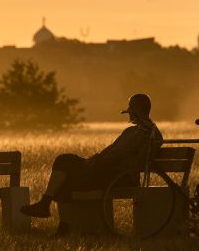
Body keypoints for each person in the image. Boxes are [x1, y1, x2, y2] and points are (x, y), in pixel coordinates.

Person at [20, 93, 163, 226]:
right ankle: (50, 210)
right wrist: (95, 160)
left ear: (137, 110)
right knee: (64, 161)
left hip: (115, 175)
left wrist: (95, 161)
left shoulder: (143, 131)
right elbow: (114, 151)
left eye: (131, 110)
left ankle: (60, 221)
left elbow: (121, 155)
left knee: (65, 172)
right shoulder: (141, 130)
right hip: (107, 169)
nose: (129, 114)